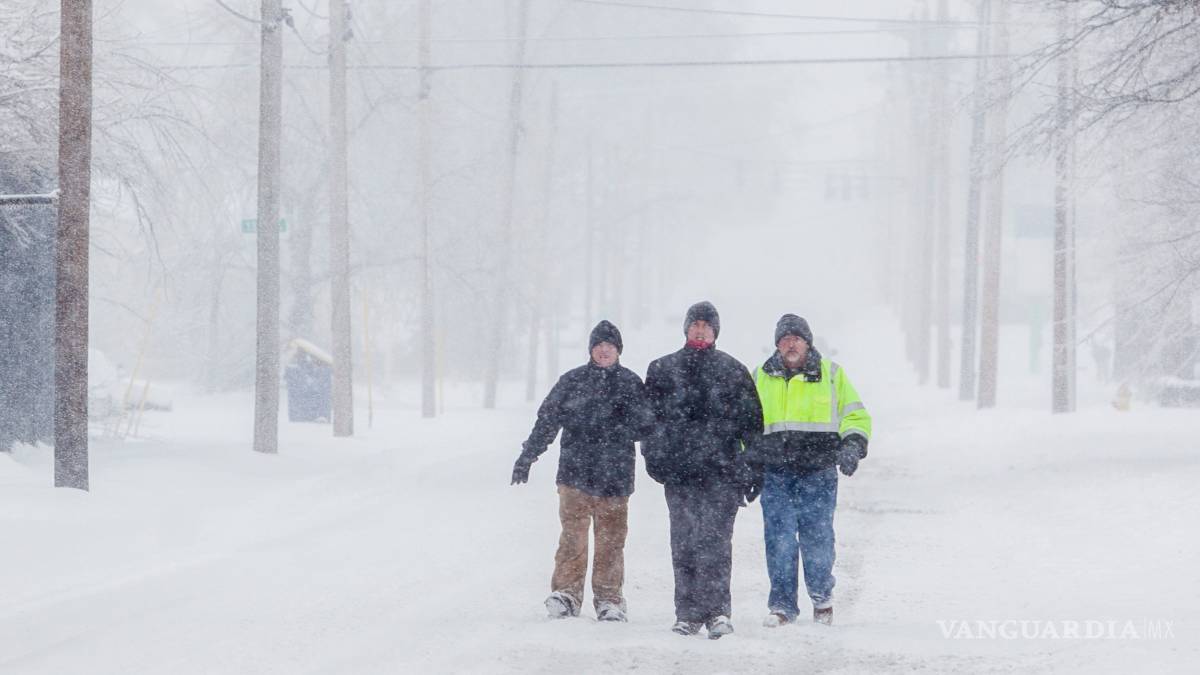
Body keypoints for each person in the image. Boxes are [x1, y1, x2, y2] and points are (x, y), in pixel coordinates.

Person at [511, 320, 654, 622]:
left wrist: (623, 424)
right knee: (572, 539)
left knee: (611, 542)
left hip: (615, 478)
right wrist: (528, 455)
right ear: (591, 349)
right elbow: (547, 420)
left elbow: (648, 425)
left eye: (610, 345)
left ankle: (609, 599)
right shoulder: (572, 381)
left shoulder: (630, 383)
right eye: (599, 345)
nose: (604, 350)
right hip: (575, 475)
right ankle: (566, 594)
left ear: (618, 350)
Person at [642, 301, 763, 639]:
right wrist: (655, 458)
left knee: (717, 543)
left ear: (715, 332)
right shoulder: (662, 370)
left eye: (706, 325)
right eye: (695, 324)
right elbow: (649, 422)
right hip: (679, 473)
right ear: (685, 329)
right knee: (684, 542)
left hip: (721, 473)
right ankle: (687, 612)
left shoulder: (733, 371)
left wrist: (753, 468)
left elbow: (752, 425)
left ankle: (718, 612)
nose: (700, 329)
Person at [748, 314, 872, 628]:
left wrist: (852, 446)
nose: (791, 344)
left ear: (808, 342)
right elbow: (743, 425)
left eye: (797, 338)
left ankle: (821, 599)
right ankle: (782, 606)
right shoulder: (759, 377)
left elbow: (855, 416)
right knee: (779, 541)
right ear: (777, 344)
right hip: (775, 474)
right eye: (785, 339)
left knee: (818, 539)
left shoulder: (831, 375)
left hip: (817, 473)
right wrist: (746, 463)